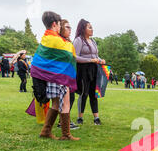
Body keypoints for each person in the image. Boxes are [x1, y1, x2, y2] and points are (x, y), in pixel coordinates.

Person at [33, 11, 79, 141]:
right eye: (59, 25)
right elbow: (68, 53)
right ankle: (66, 134)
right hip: (59, 77)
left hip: (51, 77)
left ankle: (46, 131)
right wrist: (69, 45)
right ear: (54, 24)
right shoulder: (56, 40)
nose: (60, 27)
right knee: (65, 103)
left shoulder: (45, 38)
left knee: (55, 103)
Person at [73, 19, 105, 125]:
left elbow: (95, 56)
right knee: (84, 93)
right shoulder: (79, 40)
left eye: (92, 27)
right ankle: (80, 118)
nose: (92, 29)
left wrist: (100, 60)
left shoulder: (93, 41)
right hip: (83, 70)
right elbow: (75, 57)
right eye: (89, 27)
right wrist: (89, 60)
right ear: (83, 29)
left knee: (93, 93)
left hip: (94, 69)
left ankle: (96, 118)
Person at [57, 19, 79, 130]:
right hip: (61, 75)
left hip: (69, 75)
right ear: (60, 28)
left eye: (70, 27)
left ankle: (64, 121)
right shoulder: (59, 42)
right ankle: (63, 122)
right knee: (64, 99)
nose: (70, 29)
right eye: (67, 27)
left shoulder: (68, 42)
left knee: (70, 98)